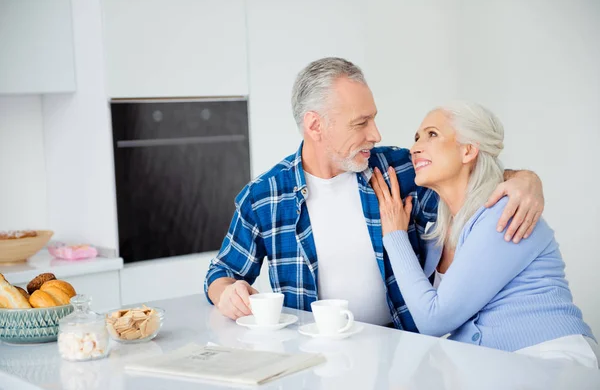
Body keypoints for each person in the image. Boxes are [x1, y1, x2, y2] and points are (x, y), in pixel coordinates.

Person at [204, 57, 544, 331]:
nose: (376, 134)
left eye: (374, 119)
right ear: (315, 126)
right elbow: (220, 272)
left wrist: (524, 178)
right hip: (315, 358)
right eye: (360, 123)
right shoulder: (264, 196)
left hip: (404, 350)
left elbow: (472, 169)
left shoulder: (400, 170)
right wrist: (225, 292)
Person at [372, 102, 598, 367]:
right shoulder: (436, 235)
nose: (415, 148)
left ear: (468, 150)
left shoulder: (505, 212)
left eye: (432, 134)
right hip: (498, 367)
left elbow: (432, 320)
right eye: (417, 138)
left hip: (550, 360)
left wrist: (395, 235)